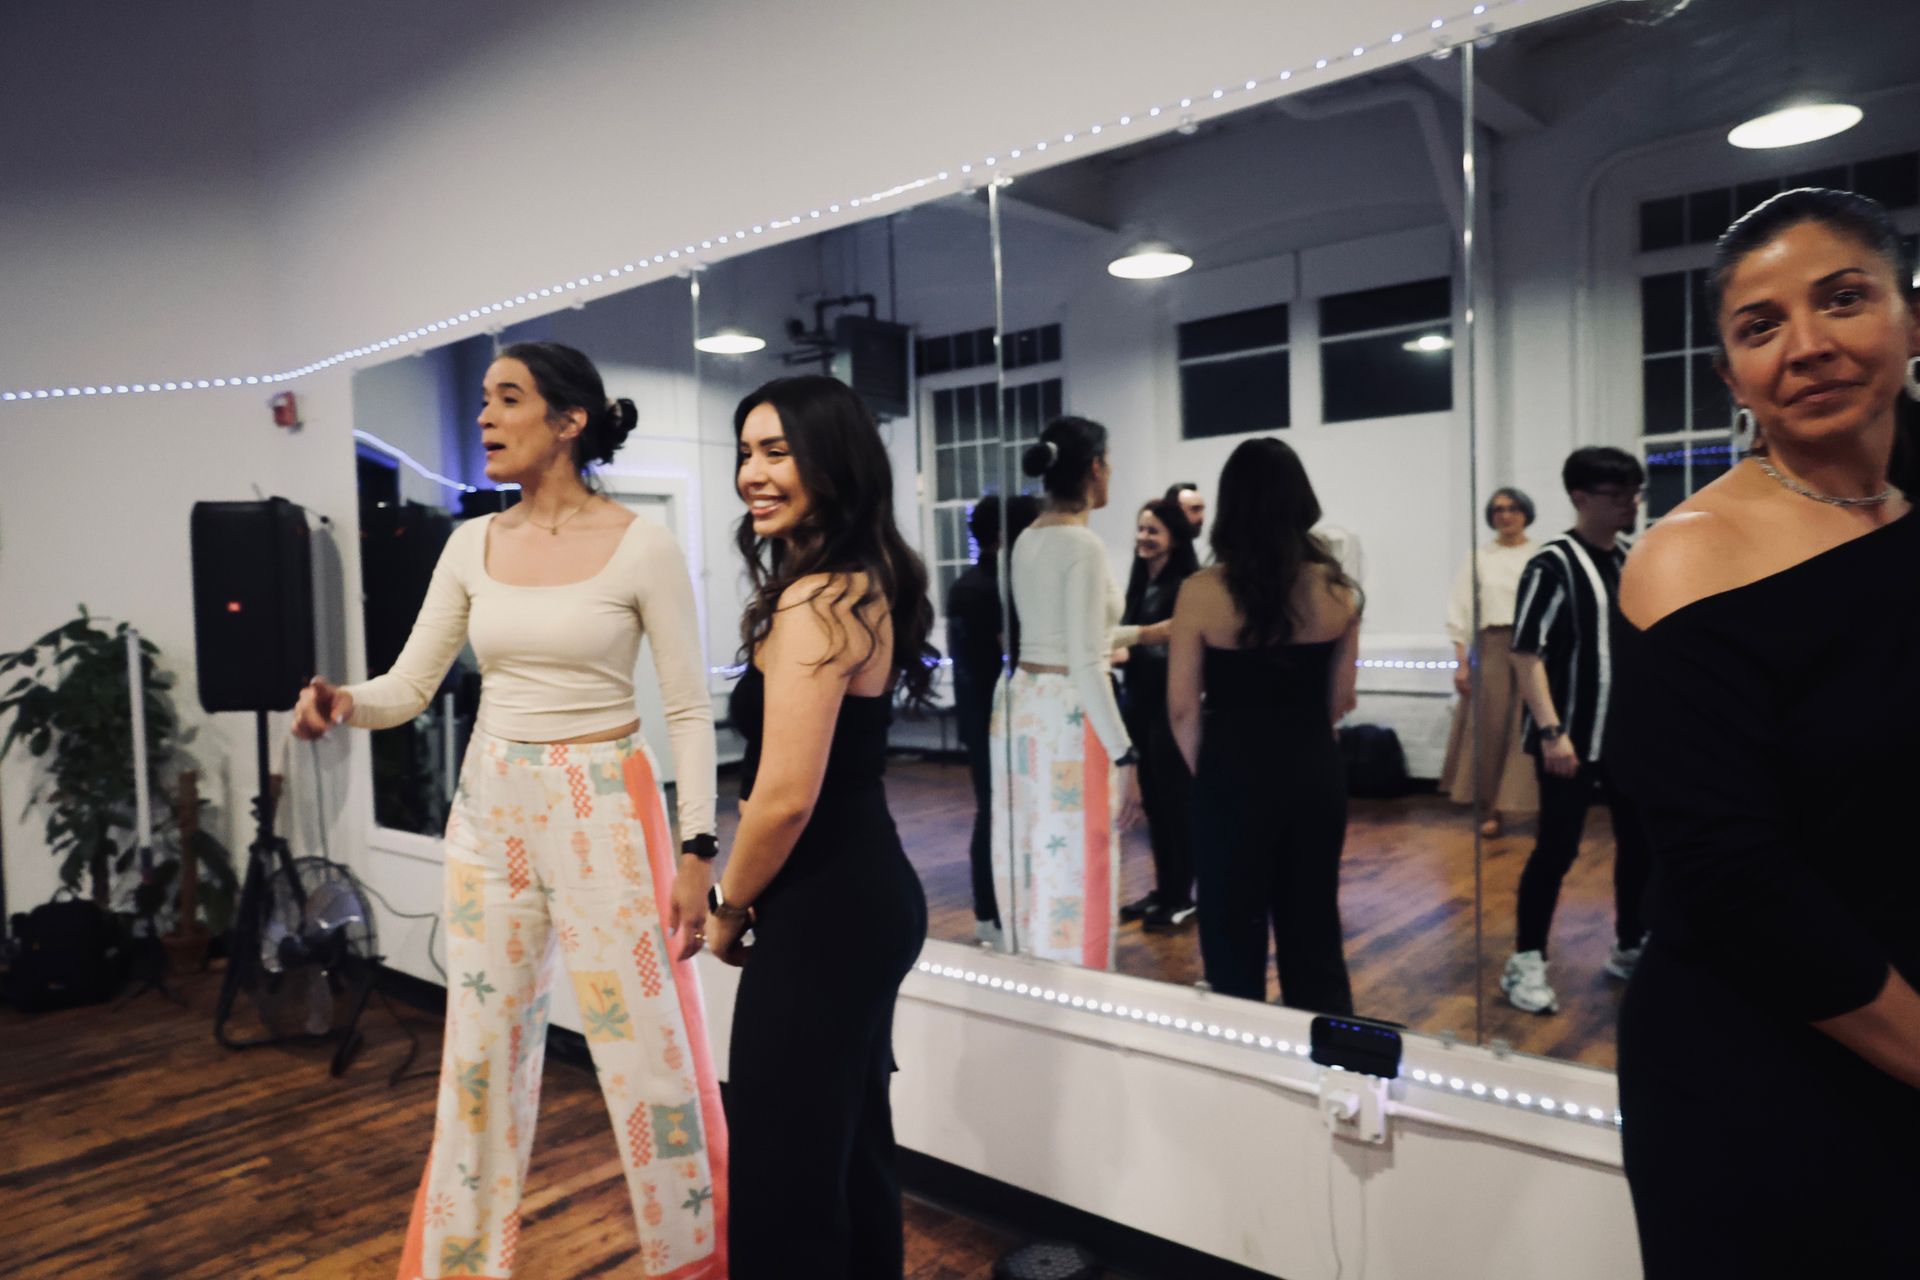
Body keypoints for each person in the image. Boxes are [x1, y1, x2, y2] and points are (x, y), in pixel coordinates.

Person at [293, 341, 727, 1280]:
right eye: (484, 399)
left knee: (652, 1064)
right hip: (493, 813)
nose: (485, 417)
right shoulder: (470, 544)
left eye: (508, 399)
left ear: (569, 420)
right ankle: (458, 1267)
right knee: (481, 1064)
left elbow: (690, 709)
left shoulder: (641, 545)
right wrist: (342, 703)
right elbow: (409, 686)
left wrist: (699, 846)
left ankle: (695, 1259)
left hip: (607, 807)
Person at [1615, 188, 1920, 1274]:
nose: (1809, 345)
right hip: (1761, 1071)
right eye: (1761, 325)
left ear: (1909, 317)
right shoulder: (1691, 554)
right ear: (1731, 375)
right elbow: (1733, 874)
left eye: (1843, 299)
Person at [711, 374, 933, 1278]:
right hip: (861, 899)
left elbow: (783, 799)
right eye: (745, 452)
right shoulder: (859, 585)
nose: (752, 474)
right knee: (846, 1156)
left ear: (832, 464)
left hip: (829, 909)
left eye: (776, 452)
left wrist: (727, 905)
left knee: (787, 1175)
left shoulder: (816, 604)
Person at [1168, 438, 1359, 1011]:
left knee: (1231, 936)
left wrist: (1217, 772)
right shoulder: (1338, 592)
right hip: (1311, 770)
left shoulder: (1201, 592)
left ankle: (1244, 1077)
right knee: (1313, 931)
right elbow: (1342, 700)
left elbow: (1181, 708)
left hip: (1231, 772)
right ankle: (1332, 1078)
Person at [992, 417, 1162, 969]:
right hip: (1068, 714)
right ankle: (1080, 977)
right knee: (1080, 856)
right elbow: (1087, 662)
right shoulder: (1083, 546)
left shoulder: (1027, 539)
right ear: (1095, 469)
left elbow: (1065, 638)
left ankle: (1034, 965)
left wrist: (1145, 633)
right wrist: (1126, 753)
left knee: (1031, 848)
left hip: (1023, 702)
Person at [1499, 446, 1651, 1015]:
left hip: (1623, 736)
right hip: (1568, 737)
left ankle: (1631, 943)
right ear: (1580, 498)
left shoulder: (1629, 557)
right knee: (1557, 849)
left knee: (1639, 843)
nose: (1628, 507)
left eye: (1634, 496)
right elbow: (1524, 652)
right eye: (1617, 497)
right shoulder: (1553, 563)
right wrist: (1551, 730)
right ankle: (1527, 961)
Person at [945, 493, 1039, 947]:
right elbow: (1008, 654)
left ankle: (996, 912)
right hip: (992, 717)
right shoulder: (989, 590)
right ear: (1005, 536)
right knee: (996, 814)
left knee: (996, 812)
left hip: (983, 715)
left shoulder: (976, 585)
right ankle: (992, 913)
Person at [1117, 497, 1202, 929]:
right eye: (1140, 529)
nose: (1143, 538)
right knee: (1154, 802)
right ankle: (1164, 889)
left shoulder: (1187, 584)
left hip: (1172, 707)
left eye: (1152, 531)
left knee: (1175, 805)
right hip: (1140, 706)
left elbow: (1179, 647)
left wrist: (1131, 647)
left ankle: (1182, 895)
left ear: (1173, 538)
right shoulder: (1138, 582)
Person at [1438, 487, 1542, 839]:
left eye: (1513, 508)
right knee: (1491, 729)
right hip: (1493, 645)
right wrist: (1461, 663)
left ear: (1526, 512)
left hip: (1537, 647)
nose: (1505, 515)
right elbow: (1460, 610)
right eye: (1498, 510)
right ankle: (1491, 808)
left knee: (1534, 726)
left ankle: (1541, 805)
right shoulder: (1479, 558)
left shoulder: (1542, 555)